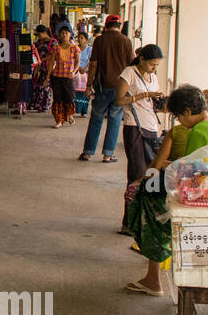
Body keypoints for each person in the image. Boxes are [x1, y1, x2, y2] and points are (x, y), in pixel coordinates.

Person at [126, 85, 208, 296]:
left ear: (186, 112)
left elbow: (194, 173)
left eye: (178, 117)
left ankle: (153, 278)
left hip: (202, 199)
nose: (179, 122)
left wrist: (162, 173)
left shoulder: (199, 131)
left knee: (150, 210)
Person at [78, 14, 134, 162]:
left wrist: (88, 85)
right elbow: (131, 67)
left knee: (96, 119)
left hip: (102, 87)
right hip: (120, 88)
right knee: (115, 121)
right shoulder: (126, 41)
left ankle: (88, 152)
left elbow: (94, 65)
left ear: (105, 26)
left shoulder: (99, 40)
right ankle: (108, 155)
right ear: (119, 25)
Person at [116, 44, 164, 186]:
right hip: (134, 126)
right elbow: (119, 100)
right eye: (151, 64)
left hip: (151, 127)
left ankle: (147, 204)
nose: (154, 68)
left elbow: (152, 103)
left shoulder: (153, 77)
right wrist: (144, 95)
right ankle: (133, 203)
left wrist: (160, 101)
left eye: (156, 65)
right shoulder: (129, 72)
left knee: (152, 171)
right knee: (137, 171)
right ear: (141, 58)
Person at [47, 24, 81, 127]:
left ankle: (69, 115)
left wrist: (74, 72)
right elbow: (51, 63)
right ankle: (59, 120)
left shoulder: (75, 48)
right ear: (59, 35)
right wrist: (47, 76)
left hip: (68, 77)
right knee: (57, 98)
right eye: (62, 33)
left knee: (69, 98)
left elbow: (78, 62)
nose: (64, 34)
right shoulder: (56, 48)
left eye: (66, 33)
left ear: (70, 34)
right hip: (57, 76)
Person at [29, 25, 53, 112]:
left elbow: (52, 55)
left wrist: (40, 60)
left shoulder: (53, 42)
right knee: (38, 86)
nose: (38, 36)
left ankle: (45, 105)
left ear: (44, 33)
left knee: (45, 86)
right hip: (38, 67)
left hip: (48, 67)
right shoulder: (39, 42)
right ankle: (38, 105)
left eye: (39, 34)